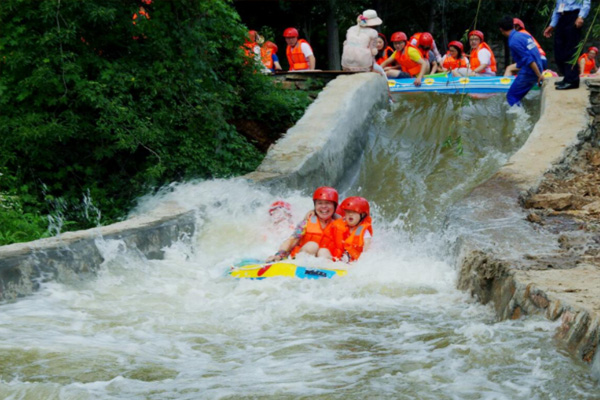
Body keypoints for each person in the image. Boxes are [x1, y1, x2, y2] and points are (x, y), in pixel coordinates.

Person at [266, 187, 338, 262]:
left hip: (325, 262)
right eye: (320, 203)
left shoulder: (340, 224)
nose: (323, 206)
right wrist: (279, 255)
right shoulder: (305, 222)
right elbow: (292, 240)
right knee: (312, 246)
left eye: (328, 203)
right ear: (315, 206)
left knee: (324, 252)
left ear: (334, 206)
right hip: (301, 260)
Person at [544, 0, 591, 90]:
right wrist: (552, 25)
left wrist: (581, 16)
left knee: (571, 50)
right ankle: (567, 77)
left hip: (573, 17)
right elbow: (557, 8)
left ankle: (572, 81)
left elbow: (586, 2)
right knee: (559, 50)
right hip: (562, 17)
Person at [498, 16, 544, 107]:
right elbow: (535, 53)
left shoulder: (513, 42)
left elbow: (529, 59)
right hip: (538, 65)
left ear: (501, 29)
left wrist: (539, 75)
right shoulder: (524, 35)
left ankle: (521, 120)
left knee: (511, 97)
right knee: (517, 95)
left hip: (530, 71)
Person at [318, 197, 373, 262]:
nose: (350, 214)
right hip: (337, 260)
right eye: (348, 212)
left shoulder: (365, 233)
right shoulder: (338, 225)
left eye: (354, 212)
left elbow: (367, 253)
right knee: (322, 251)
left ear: (363, 215)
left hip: (352, 263)